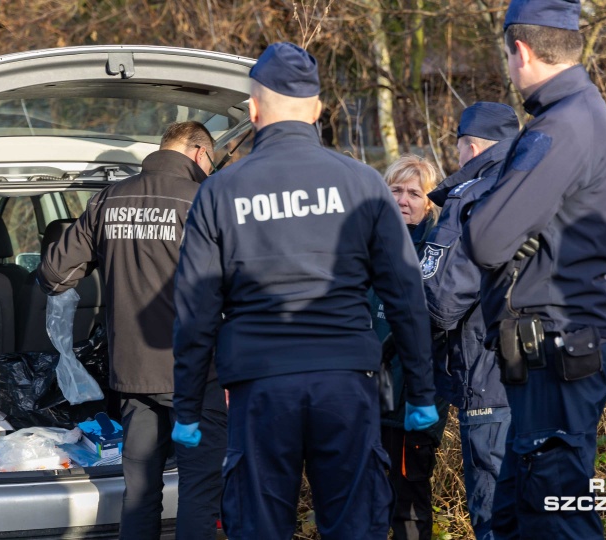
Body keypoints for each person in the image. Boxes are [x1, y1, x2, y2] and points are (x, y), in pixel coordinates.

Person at [170, 42, 438, 540]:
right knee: (355, 525)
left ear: (253, 110)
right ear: (317, 110)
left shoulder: (221, 192)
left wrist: (188, 407)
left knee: (260, 526)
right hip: (346, 385)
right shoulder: (363, 184)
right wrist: (420, 391)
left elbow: (195, 311)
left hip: (260, 390)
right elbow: (405, 297)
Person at [462, 1, 606, 538]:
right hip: (564, 341)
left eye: (508, 56)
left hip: (558, 347)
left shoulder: (558, 128)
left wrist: (476, 205)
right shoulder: (587, 112)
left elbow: (484, 241)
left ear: (522, 51)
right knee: (515, 514)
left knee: (556, 517)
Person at [38, 121, 228, 540]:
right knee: (199, 490)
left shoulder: (109, 200)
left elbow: (54, 274)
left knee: (140, 492)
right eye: (211, 161)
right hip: (196, 374)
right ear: (199, 153)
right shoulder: (206, 200)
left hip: (132, 372)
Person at [422, 102, 519, 540]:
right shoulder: (539, 185)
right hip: (550, 373)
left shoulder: (473, 193)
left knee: (494, 508)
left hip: (488, 374)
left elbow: (441, 300)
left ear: (471, 146)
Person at [369, 155, 450, 540]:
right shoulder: (367, 243)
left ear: (429, 201)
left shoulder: (437, 252)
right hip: (366, 399)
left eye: (414, 193)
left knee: (409, 504)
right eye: (395, 190)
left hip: (412, 405)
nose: (403, 199)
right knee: (366, 501)